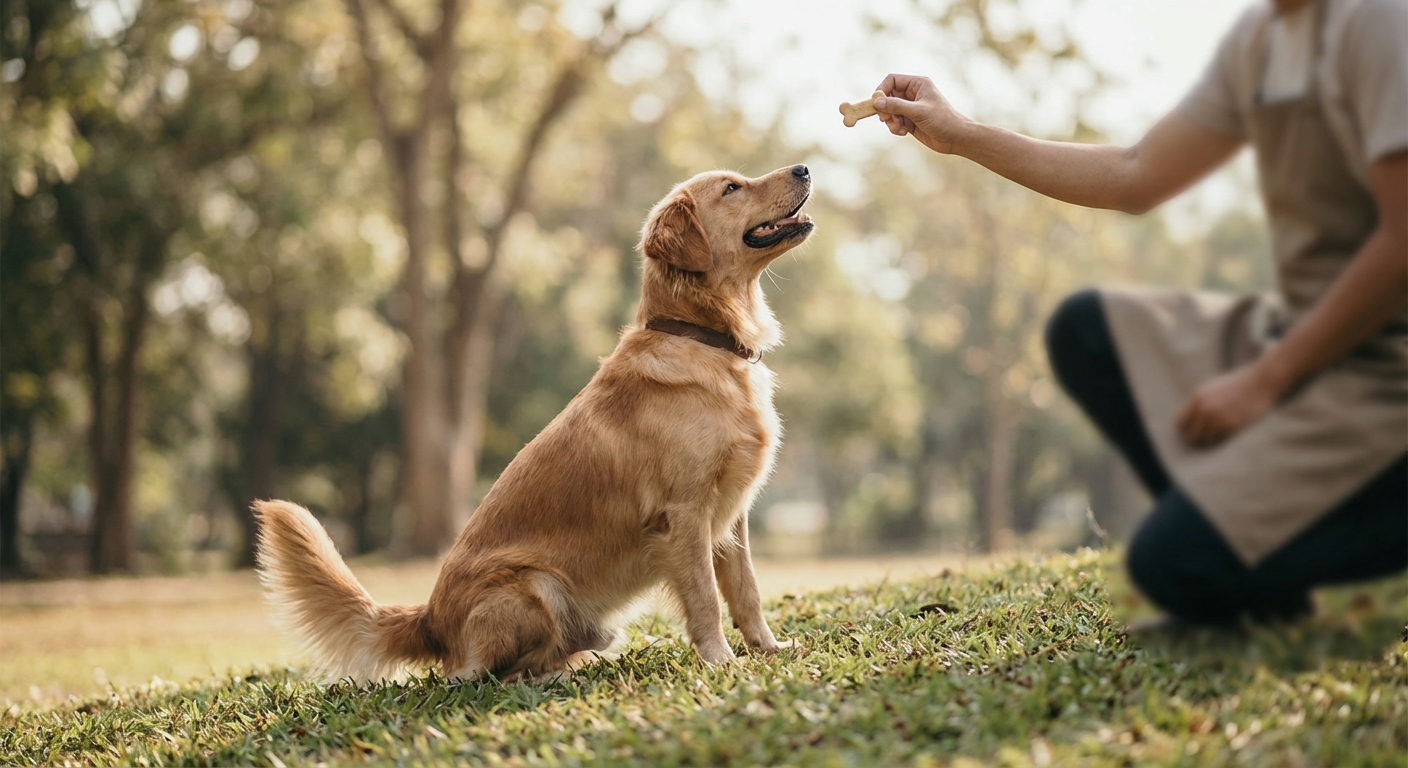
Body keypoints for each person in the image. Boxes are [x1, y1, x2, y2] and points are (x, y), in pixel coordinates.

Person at [872, 0, 1407, 626]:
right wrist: (959, 134)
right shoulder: (1261, 40)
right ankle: (1253, 560)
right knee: (1089, 331)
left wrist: (1265, 382)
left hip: (1385, 369)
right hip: (1308, 347)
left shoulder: (1375, 21)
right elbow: (1136, 172)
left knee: (1169, 566)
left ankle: (1250, 551)